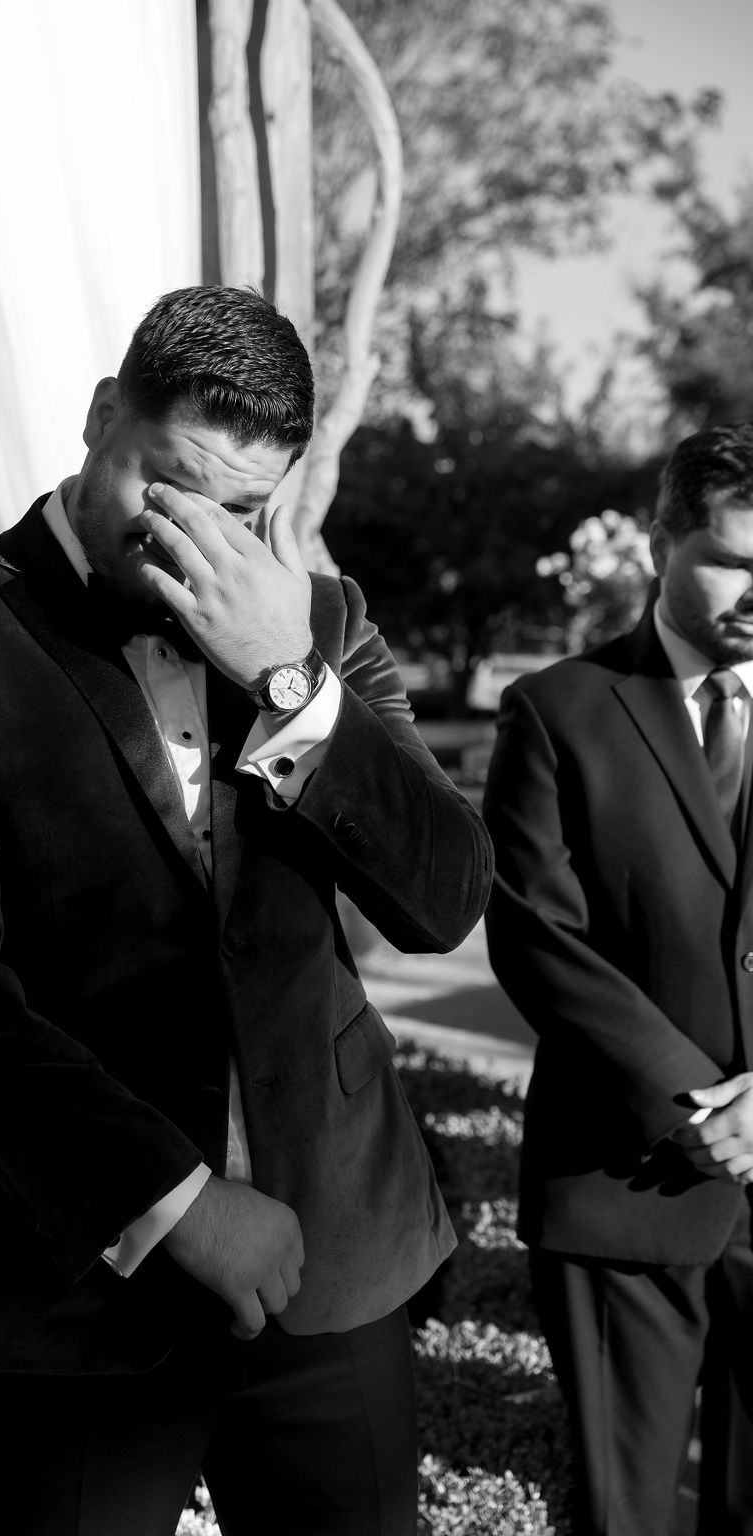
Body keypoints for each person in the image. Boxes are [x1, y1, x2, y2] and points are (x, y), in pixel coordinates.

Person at [0, 284, 492, 1536]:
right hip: (58, 1286)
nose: (192, 534)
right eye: (164, 482)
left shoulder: (322, 625)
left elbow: (443, 900)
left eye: (241, 508)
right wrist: (177, 1202)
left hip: (332, 1267)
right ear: (98, 415)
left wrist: (288, 682)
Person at [483, 420, 753, 1536]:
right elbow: (536, 938)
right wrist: (702, 1105)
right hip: (621, 1187)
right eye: (736, 559)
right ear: (660, 544)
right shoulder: (556, 710)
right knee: (623, 1520)